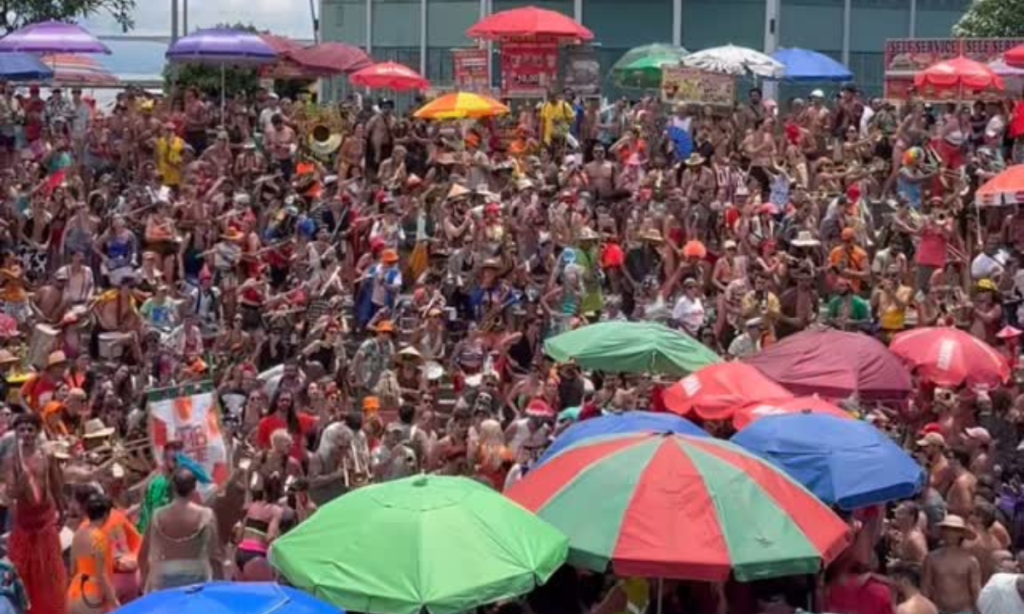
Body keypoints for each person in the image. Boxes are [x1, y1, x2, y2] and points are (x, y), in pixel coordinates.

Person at [2, 413, 67, 614]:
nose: (27, 433)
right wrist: (19, 487)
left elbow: (56, 484)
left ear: (37, 431)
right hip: (25, 522)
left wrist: (62, 510)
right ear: (17, 433)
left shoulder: (47, 456)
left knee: (49, 572)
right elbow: (10, 494)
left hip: (46, 520)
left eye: (30, 429)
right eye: (22, 429)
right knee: (24, 571)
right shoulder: (11, 460)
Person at [139, 468, 224, 592]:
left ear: (173, 487)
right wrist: (220, 585)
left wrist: (144, 580)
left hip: (163, 577)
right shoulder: (205, 515)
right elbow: (214, 556)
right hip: (196, 578)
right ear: (194, 488)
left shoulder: (158, 515)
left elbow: (142, 555)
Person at [68, 493, 120, 614]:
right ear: (106, 515)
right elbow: (101, 575)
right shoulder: (100, 538)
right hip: (91, 598)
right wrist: (114, 601)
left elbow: (72, 570)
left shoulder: (77, 535)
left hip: (73, 594)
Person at [922, 515, 982, 614]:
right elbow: (926, 587)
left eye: (955, 530)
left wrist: (980, 611)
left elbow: (976, 590)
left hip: (965, 611)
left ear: (961, 534)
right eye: (947, 529)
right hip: (939, 610)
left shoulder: (970, 561)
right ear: (942, 532)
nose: (950, 533)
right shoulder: (931, 558)